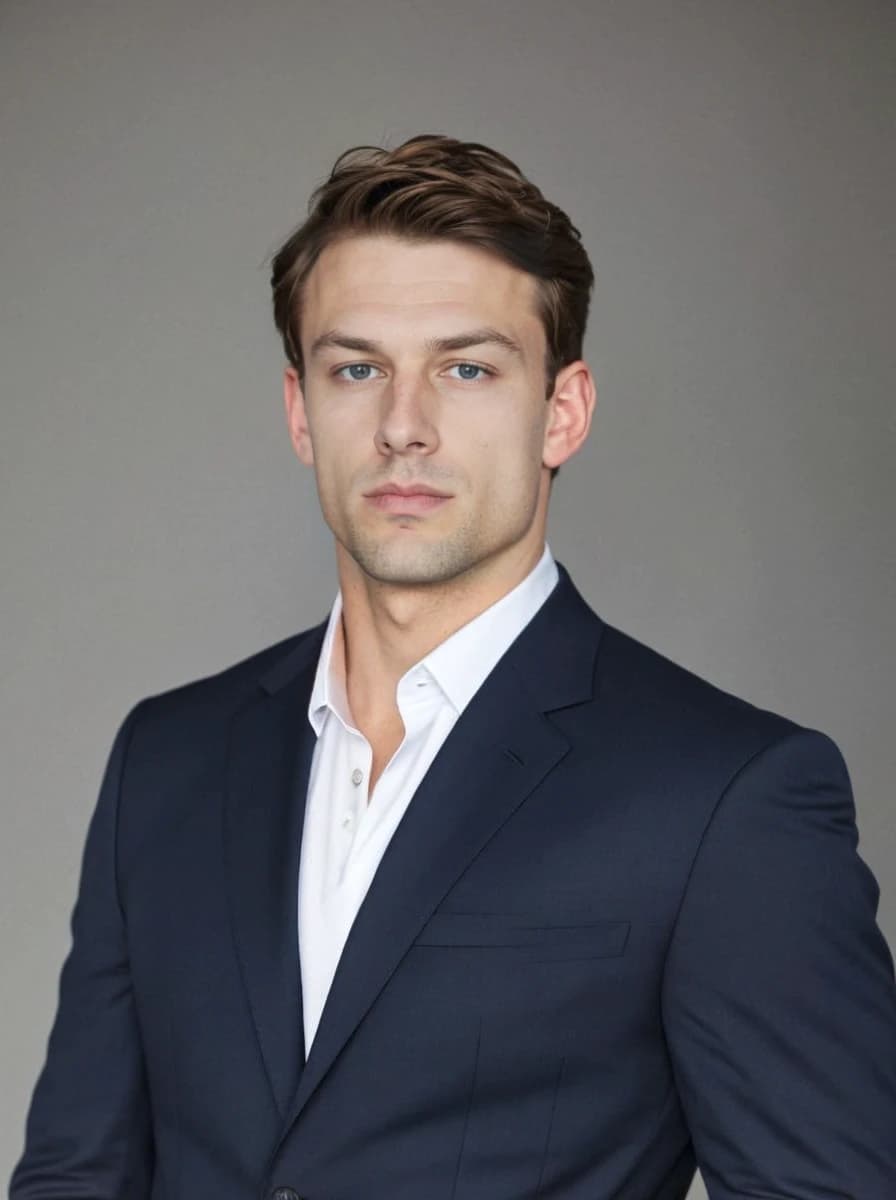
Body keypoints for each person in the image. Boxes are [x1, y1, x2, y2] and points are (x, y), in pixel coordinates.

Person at [10, 134, 896, 1200]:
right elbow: (75, 1173)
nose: (401, 426)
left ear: (558, 412)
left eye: (465, 369)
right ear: (300, 410)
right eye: (356, 369)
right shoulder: (168, 756)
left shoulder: (724, 796)